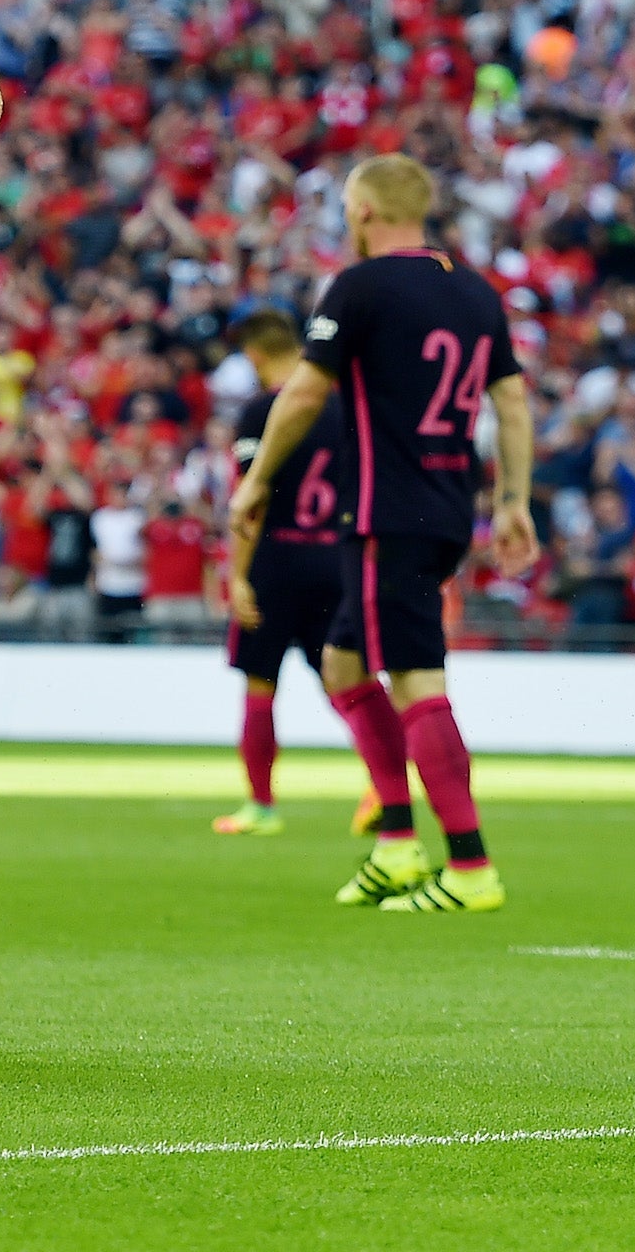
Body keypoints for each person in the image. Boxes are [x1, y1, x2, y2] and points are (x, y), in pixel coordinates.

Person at [229, 154, 537, 913]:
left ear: (363, 210)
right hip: (446, 506)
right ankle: (397, 842)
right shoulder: (474, 290)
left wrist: (257, 479)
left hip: (386, 514)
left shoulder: (361, 284)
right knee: (342, 662)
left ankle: (468, 866)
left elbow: (302, 392)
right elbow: (515, 403)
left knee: (415, 679)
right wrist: (515, 501)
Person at [215, 308, 346, 837]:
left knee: (260, 685)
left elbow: (253, 500)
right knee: (348, 684)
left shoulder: (262, 411)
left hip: (275, 563)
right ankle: (387, 790)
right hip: (336, 562)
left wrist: (239, 576)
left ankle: (261, 805)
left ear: (254, 354)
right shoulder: (345, 410)